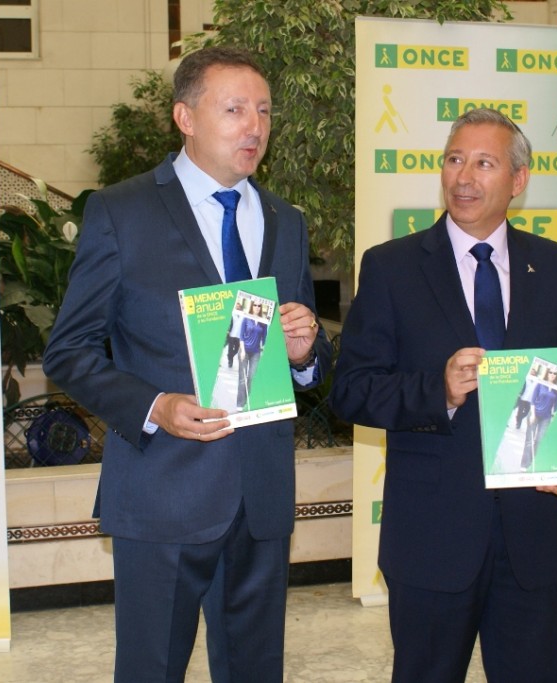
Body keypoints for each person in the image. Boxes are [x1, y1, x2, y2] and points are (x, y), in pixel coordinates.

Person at [42, 45, 332, 683]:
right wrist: (154, 407)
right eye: (233, 109)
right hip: (161, 492)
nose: (253, 126)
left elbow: (303, 347)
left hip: (260, 496)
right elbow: (67, 349)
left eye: (263, 111)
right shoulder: (122, 211)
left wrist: (307, 352)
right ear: (185, 117)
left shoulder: (287, 220)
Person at [330, 107, 557, 682]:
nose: (464, 177)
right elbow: (352, 392)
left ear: (518, 181)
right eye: (455, 160)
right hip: (432, 540)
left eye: (484, 163)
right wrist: (440, 391)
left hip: (532, 539)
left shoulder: (556, 267)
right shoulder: (391, 268)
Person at [521, 368, 557, 470]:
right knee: (529, 440)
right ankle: (525, 464)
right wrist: (532, 415)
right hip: (534, 413)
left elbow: (556, 405)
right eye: (551, 372)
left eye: (555, 373)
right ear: (547, 373)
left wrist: (554, 416)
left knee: (539, 441)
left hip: (546, 417)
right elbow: (532, 400)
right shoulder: (540, 384)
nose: (552, 375)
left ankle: (533, 464)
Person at [236, 308, 268, 409]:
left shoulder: (264, 322)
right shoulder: (246, 318)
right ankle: (240, 404)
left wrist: (264, 350)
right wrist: (243, 351)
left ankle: (246, 401)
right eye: (255, 305)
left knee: (251, 377)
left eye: (259, 306)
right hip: (244, 351)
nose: (257, 307)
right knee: (242, 379)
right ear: (252, 307)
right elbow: (241, 336)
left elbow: (264, 338)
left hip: (256, 353)